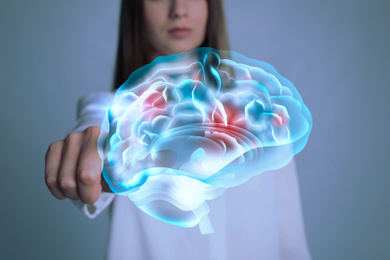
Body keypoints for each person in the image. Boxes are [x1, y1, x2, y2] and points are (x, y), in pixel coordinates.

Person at [45, 0, 312, 259]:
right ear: (135, 8)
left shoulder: (262, 113)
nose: (179, 9)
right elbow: (96, 123)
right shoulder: (112, 109)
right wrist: (90, 150)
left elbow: (291, 245)